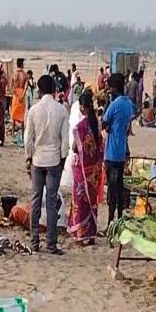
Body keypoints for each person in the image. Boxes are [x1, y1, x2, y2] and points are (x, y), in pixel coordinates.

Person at [25, 74, 69, 254]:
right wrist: (63, 158)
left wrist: (28, 158)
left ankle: (34, 241)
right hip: (54, 160)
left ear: (39, 90)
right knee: (51, 201)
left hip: (38, 158)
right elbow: (65, 140)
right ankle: (51, 243)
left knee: (36, 200)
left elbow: (28, 138)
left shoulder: (34, 110)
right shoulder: (61, 110)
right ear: (54, 89)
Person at [68, 91, 104, 246]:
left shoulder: (81, 126)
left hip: (82, 169)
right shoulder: (96, 124)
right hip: (94, 170)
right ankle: (91, 234)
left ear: (83, 107)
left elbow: (76, 147)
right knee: (92, 201)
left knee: (80, 200)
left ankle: (81, 234)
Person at [102, 73, 135, 225]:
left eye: (110, 87)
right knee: (120, 188)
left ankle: (110, 222)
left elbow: (104, 122)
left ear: (115, 88)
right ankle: (120, 219)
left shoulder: (114, 105)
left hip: (111, 153)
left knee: (111, 190)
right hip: (121, 152)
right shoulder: (128, 104)